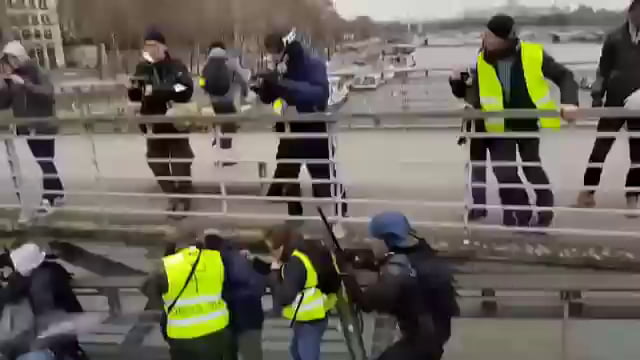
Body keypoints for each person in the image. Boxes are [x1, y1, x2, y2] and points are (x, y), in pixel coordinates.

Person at [450, 14, 579, 228]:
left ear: (504, 39)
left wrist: (569, 102)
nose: (483, 37)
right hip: (499, 127)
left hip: (528, 122)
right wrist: (457, 82)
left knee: (531, 167)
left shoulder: (533, 54)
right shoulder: (483, 57)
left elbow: (564, 76)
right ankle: (523, 211)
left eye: (489, 35)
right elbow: (471, 93)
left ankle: (545, 209)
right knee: (505, 172)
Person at [256, 31, 347, 219]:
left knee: (321, 174)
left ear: (286, 51)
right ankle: (298, 210)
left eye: (275, 51)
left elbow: (318, 94)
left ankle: (335, 210)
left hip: (309, 127)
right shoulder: (282, 68)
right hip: (293, 128)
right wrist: (265, 83)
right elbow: (267, 98)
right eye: (270, 52)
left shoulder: (312, 65)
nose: (272, 56)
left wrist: (283, 83)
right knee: (292, 170)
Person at [347, 212, 459, 360]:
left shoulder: (399, 266)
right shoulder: (424, 253)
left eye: (374, 239)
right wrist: (373, 263)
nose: (371, 243)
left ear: (387, 239)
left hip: (419, 342)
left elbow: (369, 302)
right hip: (437, 336)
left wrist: (347, 276)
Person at [141, 234, 259, 360]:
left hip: (183, 337)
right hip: (217, 332)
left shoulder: (167, 266)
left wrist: (164, 305)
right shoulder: (215, 259)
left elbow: (147, 288)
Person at [576, 0, 640, 212]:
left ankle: (632, 196)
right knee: (600, 149)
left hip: (639, 104)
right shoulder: (614, 38)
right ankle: (587, 193)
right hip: (614, 101)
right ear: (630, 12)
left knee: (638, 153)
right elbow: (602, 70)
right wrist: (597, 95)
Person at [127, 28, 195, 216]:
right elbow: (136, 96)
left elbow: (185, 88)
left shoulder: (176, 66)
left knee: (182, 162)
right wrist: (133, 89)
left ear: (164, 46)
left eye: (154, 45)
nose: (151, 49)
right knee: (156, 162)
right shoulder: (142, 69)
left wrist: (156, 91)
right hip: (153, 123)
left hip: (175, 122)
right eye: (147, 45)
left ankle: (184, 198)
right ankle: (173, 196)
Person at [0, 41, 63, 221]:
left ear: (18, 56)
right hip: (26, 126)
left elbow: (48, 93)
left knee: (45, 161)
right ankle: (57, 193)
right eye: (7, 60)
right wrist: (4, 83)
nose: (9, 63)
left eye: (11, 58)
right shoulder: (12, 77)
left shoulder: (36, 71)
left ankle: (49, 198)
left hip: (43, 124)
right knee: (44, 161)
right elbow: (4, 102)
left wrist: (25, 84)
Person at [263, 225, 340, 360]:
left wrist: (274, 273)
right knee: (296, 351)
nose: (271, 253)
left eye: (272, 249)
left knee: (306, 355)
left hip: (308, 319)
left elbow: (285, 297)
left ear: (281, 247)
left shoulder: (295, 263)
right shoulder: (306, 252)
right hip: (315, 314)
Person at [0, 243, 87, 360]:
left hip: (51, 346)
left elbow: (46, 315)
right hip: (59, 343)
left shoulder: (37, 281)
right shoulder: (53, 271)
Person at [208, 234, 266, 360]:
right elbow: (260, 287)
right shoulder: (247, 261)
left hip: (227, 321)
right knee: (252, 355)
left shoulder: (214, 264)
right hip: (251, 317)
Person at [200, 42, 251, 166]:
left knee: (221, 127)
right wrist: (245, 93)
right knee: (229, 128)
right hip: (227, 102)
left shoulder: (206, 67)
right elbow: (242, 81)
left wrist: (207, 92)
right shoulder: (230, 66)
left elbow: (202, 83)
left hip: (213, 103)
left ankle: (218, 148)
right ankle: (225, 157)